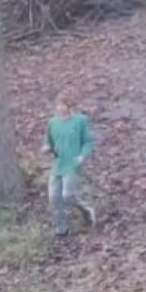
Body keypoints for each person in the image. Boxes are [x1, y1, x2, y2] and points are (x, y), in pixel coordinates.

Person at [45, 95, 97, 237]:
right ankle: (62, 228)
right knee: (54, 197)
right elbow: (49, 141)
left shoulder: (80, 121)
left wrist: (82, 155)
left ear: (70, 106)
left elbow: (88, 141)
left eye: (64, 105)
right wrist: (47, 148)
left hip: (72, 164)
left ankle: (86, 210)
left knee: (67, 195)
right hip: (58, 164)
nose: (61, 108)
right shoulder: (52, 122)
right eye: (59, 105)